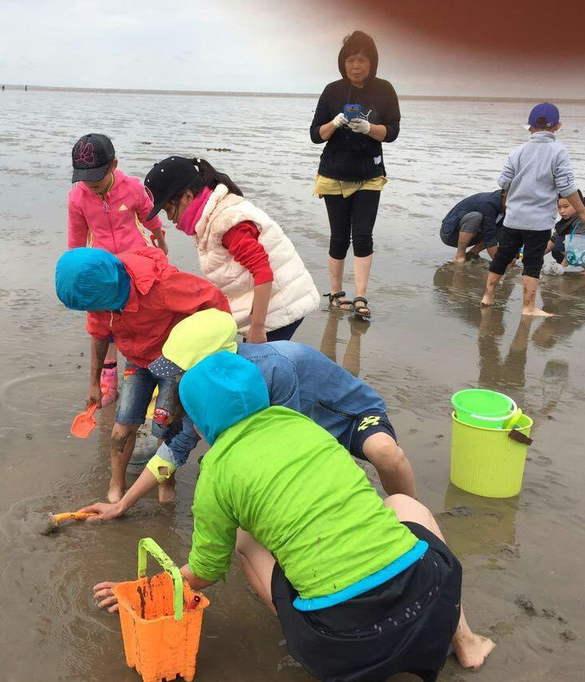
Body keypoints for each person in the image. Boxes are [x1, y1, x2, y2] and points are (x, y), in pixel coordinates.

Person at [93, 352, 495, 682]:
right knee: (403, 503)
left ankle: (306, 638)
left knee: (246, 540)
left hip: (343, 642)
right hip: (428, 605)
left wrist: (143, 589)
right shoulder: (302, 424)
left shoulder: (216, 475)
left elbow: (204, 573)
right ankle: (467, 642)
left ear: (199, 424)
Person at [79, 308, 415, 519]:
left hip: (349, 417)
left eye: (183, 370)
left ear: (213, 360)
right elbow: (174, 450)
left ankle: (414, 516)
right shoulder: (211, 388)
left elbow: (292, 445)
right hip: (304, 432)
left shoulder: (275, 370)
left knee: (384, 452)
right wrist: (123, 505)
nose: (177, 379)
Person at [54, 247, 230, 503]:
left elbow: (215, 302)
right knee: (121, 428)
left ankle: (165, 484)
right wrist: (94, 384)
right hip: (137, 361)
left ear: (110, 292)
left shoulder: (164, 285)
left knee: (164, 429)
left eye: (95, 307)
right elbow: (99, 335)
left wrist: (205, 355)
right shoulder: (98, 298)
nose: (94, 312)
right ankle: (117, 484)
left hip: (172, 363)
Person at [143, 155, 320, 343]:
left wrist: (258, 327)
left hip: (281, 305)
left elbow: (263, 271)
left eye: (169, 210)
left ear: (187, 196)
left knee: (262, 364)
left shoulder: (226, 223)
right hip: (267, 303)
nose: (170, 219)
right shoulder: (211, 218)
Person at [69, 134, 169, 405]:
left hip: (136, 263)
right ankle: (108, 377)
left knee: (142, 319)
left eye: (98, 184)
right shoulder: (77, 198)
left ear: (113, 165)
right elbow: (76, 239)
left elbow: (149, 214)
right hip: (101, 267)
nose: (93, 190)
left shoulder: (133, 188)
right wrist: (75, 271)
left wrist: (160, 239)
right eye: (87, 184)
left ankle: (144, 372)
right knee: (105, 324)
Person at [310, 31, 400, 320]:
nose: (356, 65)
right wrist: (335, 122)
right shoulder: (332, 91)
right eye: (351, 59)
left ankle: (360, 296)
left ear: (371, 62)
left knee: (363, 235)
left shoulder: (384, 89)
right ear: (343, 62)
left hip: (369, 174)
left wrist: (368, 128)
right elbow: (315, 135)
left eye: (362, 59)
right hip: (334, 173)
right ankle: (337, 294)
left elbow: (393, 132)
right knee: (339, 236)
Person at [480, 103, 585, 316]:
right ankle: (528, 307)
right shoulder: (559, 152)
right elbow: (567, 187)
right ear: (557, 127)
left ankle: (488, 296)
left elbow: (503, 181)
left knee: (503, 257)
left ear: (529, 127)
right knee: (532, 262)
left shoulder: (517, 151)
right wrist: (583, 212)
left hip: (513, 218)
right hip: (539, 221)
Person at [440, 190, 506, 262]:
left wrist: (513, 256)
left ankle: (472, 254)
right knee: (476, 217)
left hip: (474, 235)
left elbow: (513, 233)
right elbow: (489, 237)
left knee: (503, 228)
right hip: (450, 234)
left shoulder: (510, 208)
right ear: (504, 194)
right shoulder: (488, 204)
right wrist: (499, 264)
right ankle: (460, 256)